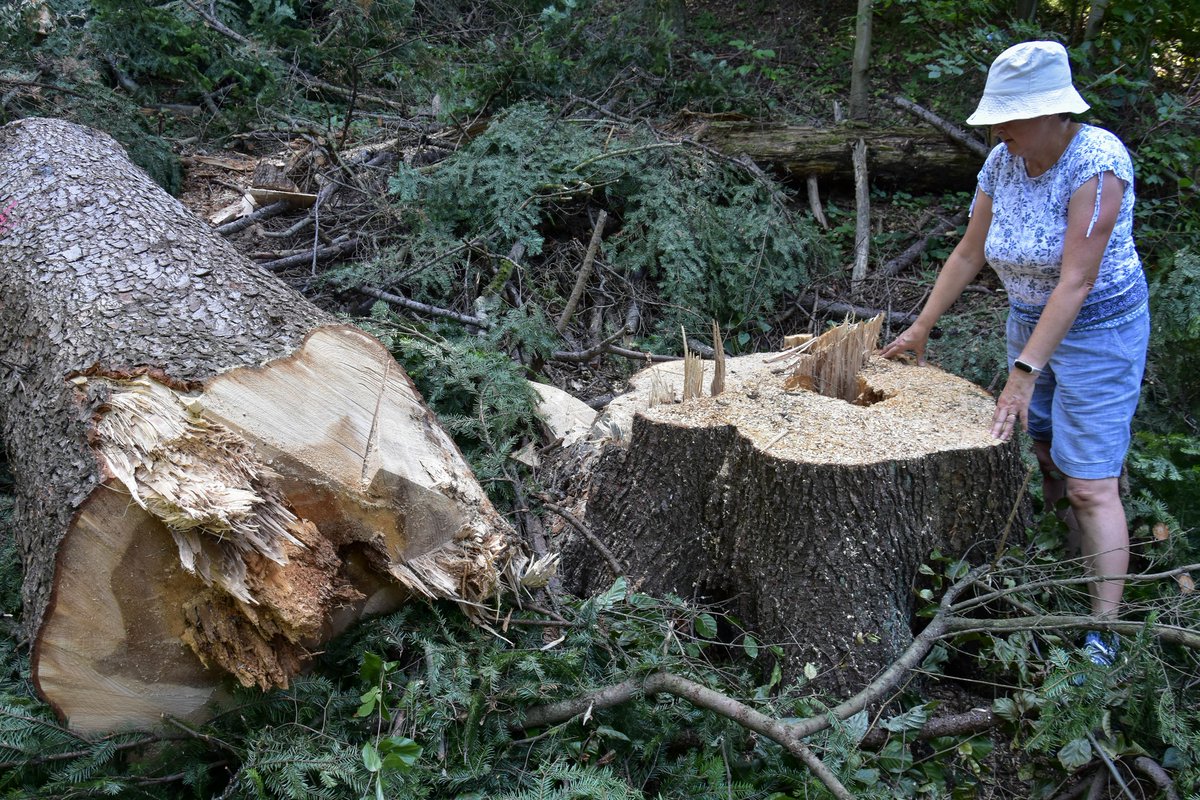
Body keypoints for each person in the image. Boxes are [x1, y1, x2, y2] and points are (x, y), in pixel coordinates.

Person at [879, 40, 1149, 667]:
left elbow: (1077, 281)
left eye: (1012, 117)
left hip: (1100, 332)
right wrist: (920, 328)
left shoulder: (1097, 164)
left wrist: (1024, 373)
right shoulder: (1002, 163)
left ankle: (1104, 630)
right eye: (997, 117)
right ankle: (1058, 567)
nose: (1000, 130)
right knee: (1048, 453)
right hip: (1029, 321)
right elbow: (969, 253)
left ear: (1056, 113)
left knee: (1091, 484)